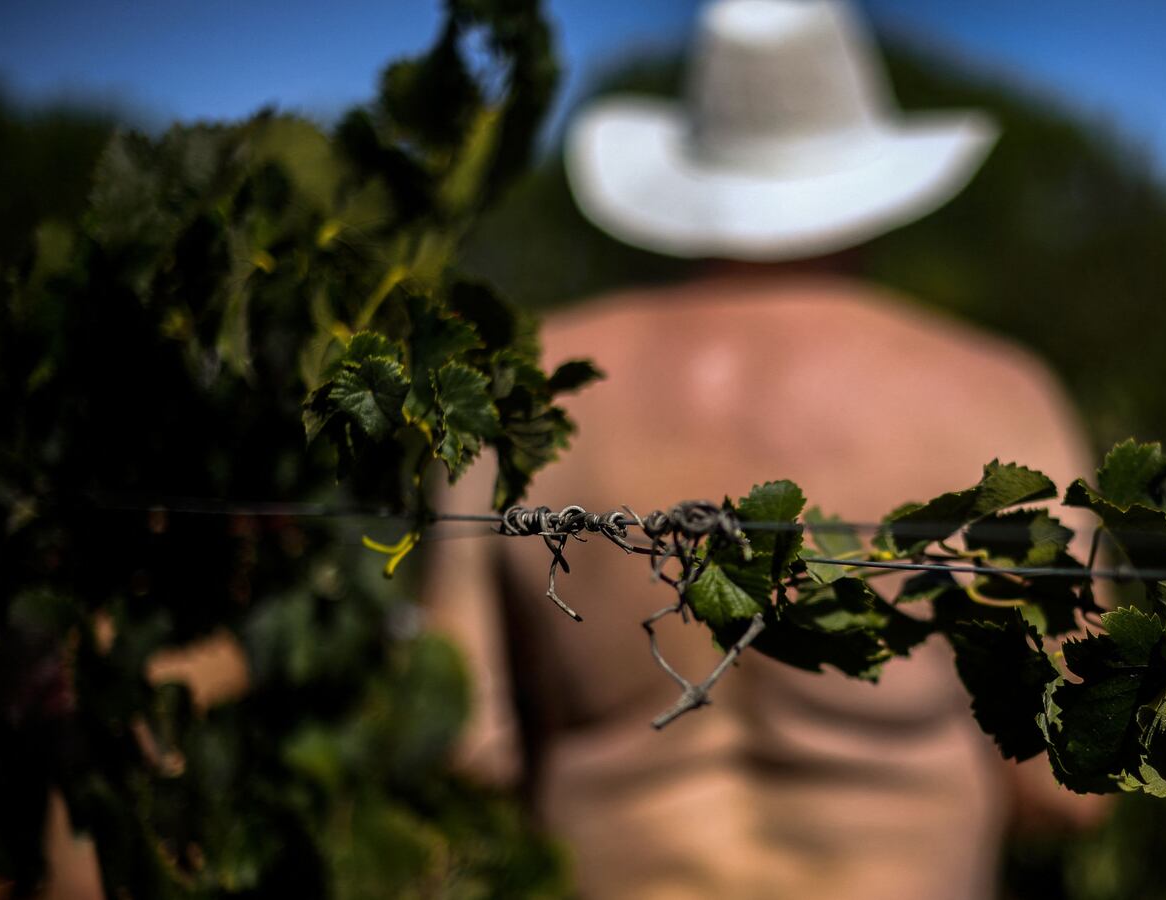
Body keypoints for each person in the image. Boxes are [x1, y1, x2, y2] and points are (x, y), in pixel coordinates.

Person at [426, 1, 1107, 897]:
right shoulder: (994, 396)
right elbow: (1070, 783)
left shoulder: (526, 386)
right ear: (876, 182)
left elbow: (464, 740)